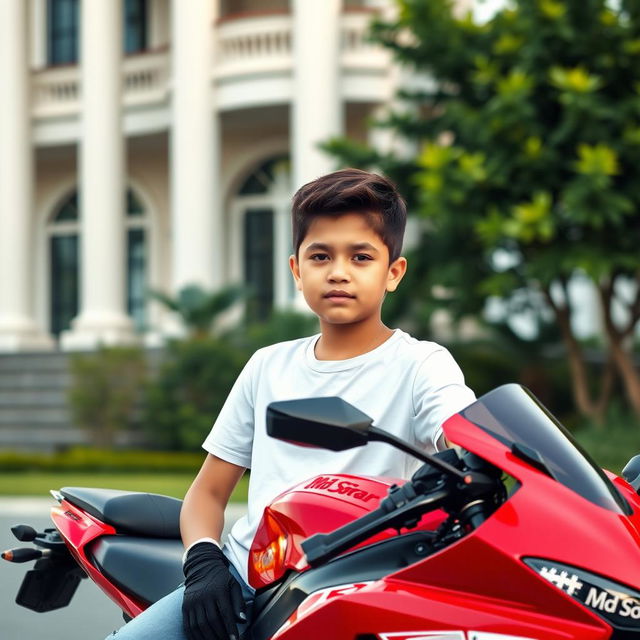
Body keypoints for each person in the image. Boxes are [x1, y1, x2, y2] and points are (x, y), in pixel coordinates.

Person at [107, 168, 475, 640]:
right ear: (297, 271)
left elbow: (459, 426)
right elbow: (208, 492)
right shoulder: (268, 367)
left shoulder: (422, 364)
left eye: (361, 256)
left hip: (361, 581)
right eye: (321, 256)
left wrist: (472, 449)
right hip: (248, 578)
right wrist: (203, 560)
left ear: (393, 273)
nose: (339, 271)